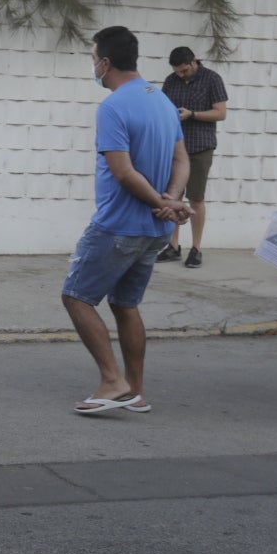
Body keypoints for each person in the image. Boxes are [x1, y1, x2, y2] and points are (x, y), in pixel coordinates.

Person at [61, 27, 190, 415]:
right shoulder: (162, 100)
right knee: (125, 304)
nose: (93, 66)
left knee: (77, 297)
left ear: (106, 62)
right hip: (155, 230)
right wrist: (172, 201)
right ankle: (136, 390)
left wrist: (160, 201)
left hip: (119, 225)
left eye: (93, 59)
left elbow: (123, 172)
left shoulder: (114, 106)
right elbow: (181, 159)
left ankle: (113, 381)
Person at [157, 46, 228, 267]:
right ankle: (173, 246)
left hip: (201, 147)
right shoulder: (171, 80)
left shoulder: (212, 79)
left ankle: (196, 249)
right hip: (175, 148)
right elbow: (162, 108)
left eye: (185, 70)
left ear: (194, 61)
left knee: (196, 198)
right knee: (172, 197)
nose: (181, 75)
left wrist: (193, 114)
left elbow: (221, 113)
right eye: (178, 71)